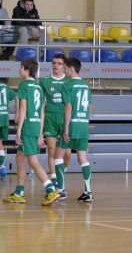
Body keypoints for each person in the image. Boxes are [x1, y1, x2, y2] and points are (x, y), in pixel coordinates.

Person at [3, 58, 60, 206]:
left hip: (27, 126)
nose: (19, 70)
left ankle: (51, 190)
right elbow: (42, 111)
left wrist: (19, 130)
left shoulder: (24, 85)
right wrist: (40, 133)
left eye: (20, 67)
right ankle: (19, 193)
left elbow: (23, 108)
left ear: (27, 70)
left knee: (33, 161)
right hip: (36, 126)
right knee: (20, 157)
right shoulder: (39, 87)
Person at [54, 57, 93, 202]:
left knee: (58, 156)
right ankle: (88, 192)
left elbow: (68, 107)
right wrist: (85, 123)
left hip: (72, 125)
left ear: (71, 69)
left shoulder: (67, 84)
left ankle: (61, 190)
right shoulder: (85, 85)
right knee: (83, 158)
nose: (63, 70)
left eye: (64, 68)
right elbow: (89, 107)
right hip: (83, 125)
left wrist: (66, 127)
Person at [39, 54, 71, 190]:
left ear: (64, 66)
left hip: (65, 118)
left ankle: (60, 173)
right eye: (53, 63)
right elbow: (40, 103)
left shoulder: (69, 82)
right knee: (52, 150)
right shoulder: (45, 81)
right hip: (50, 117)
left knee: (67, 153)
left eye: (58, 63)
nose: (55, 66)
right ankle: (54, 178)